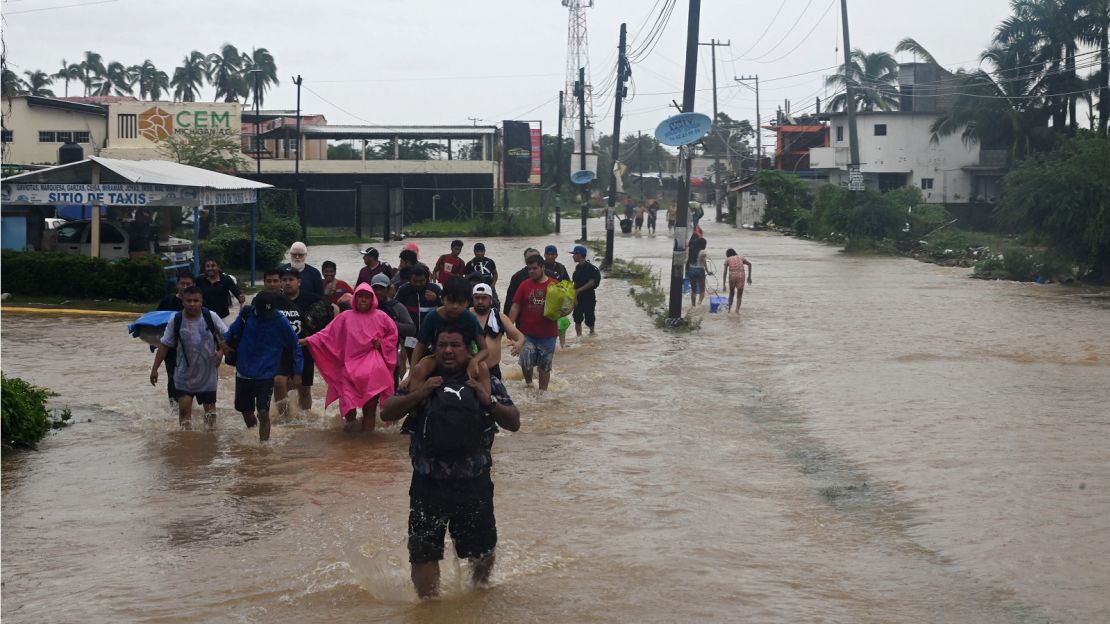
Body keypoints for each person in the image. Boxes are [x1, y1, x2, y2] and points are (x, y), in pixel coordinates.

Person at [380, 324, 520, 599]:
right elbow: (387, 413)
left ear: (469, 350)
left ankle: (478, 597)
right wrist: (421, 393)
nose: (447, 351)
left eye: (455, 345)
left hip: (474, 481)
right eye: (442, 345)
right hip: (428, 482)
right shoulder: (420, 377)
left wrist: (487, 400)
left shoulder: (484, 379)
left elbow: (514, 421)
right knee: (423, 552)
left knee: (482, 550)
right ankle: (429, 609)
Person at [304, 283, 398, 432]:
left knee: (370, 408)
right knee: (348, 408)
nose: (363, 300)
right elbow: (327, 334)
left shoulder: (382, 317)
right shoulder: (345, 317)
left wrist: (381, 343)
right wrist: (308, 340)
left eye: (367, 297)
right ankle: (351, 444)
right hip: (349, 368)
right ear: (355, 298)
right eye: (360, 296)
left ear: (372, 299)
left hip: (372, 369)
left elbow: (393, 336)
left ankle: (366, 446)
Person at [224, 291, 303, 442]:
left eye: (269, 312)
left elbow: (295, 346)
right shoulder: (246, 314)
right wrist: (223, 346)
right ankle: (253, 435)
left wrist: (297, 372)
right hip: (243, 372)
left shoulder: (281, 321)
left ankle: (263, 448)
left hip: (266, 374)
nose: (265, 316)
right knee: (246, 412)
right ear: (255, 307)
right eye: (262, 312)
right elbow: (232, 332)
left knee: (263, 412)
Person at [150, 286, 228, 429]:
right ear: (183, 302)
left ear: (201, 301)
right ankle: (186, 445)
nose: (192, 304)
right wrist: (154, 369)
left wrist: (221, 352)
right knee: (184, 415)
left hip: (208, 374)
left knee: (210, 415)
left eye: (196, 300)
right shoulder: (176, 319)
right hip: (184, 375)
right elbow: (164, 345)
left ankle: (210, 443)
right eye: (189, 301)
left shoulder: (211, 316)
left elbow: (227, 338)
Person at [275, 267, 335, 414]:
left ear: (299, 282)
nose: (287, 283)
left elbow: (332, 311)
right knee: (280, 383)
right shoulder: (275, 301)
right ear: (280, 283)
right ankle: (284, 419)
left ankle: (305, 419)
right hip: (281, 350)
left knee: (304, 389)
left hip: (305, 349)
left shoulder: (311, 299)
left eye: (291, 279)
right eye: (284, 280)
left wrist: (318, 336)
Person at [410, 276, 489, 380]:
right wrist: (411, 375)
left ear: (467, 303)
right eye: (451, 301)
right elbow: (420, 347)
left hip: (464, 359)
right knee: (419, 369)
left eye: (460, 302)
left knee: (483, 367)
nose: (455, 306)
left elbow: (484, 350)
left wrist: (475, 361)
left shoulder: (470, 319)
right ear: (443, 299)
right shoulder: (432, 317)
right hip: (437, 358)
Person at [508, 254, 561, 391]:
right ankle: (529, 384)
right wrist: (509, 326)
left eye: (534, 268)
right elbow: (515, 306)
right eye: (529, 269)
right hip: (527, 334)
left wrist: (563, 312)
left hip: (548, 335)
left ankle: (542, 393)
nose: (531, 271)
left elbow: (567, 305)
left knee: (544, 366)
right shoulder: (524, 285)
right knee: (526, 363)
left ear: (543, 267)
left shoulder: (555, 285)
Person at [370, 272, 416, 387]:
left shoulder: (397, 307)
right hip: (369, 360)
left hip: (390, 359)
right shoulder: (366, 306)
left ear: (388, 289)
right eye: (375, 288)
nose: (378, 292)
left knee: (390, 397)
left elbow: (411, 329)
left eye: (382, 288)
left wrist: (391, 324)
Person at [470, 283, 523, 381]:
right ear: (472, 299)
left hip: (493, 371)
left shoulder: (499, 317)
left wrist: (518, 344)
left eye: (484, 298)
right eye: (477, 298)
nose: (480, 301)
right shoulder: (466, 316)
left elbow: (520, 337)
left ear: (490, 300)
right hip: (470, 370)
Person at [156, 273, 195, 403]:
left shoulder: (198, 302)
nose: (184, 286)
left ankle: (189, 405)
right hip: (171, 349)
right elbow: (156, 320)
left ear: (193, 285)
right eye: (182, 283)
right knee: (172, 378)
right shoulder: (167, 301)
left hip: (193, 350)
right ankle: (174, 407)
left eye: (188, 284)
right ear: (177, 285)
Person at [394, 265, 443, 335]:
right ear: (410, 279)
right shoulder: (403, 290)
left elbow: (446, 308)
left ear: (427, 279)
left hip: (431, 335)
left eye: (421, 281)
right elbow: (395, 310)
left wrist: (437, 299)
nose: (418, 284)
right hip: (408, 336)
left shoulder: (435, 289)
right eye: (415, 281)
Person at [570, 244, 601, 337]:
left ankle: (592, 332)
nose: (573, 256)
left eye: (574, 254)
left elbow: (592, 282)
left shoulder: (590, 267)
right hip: (577, 297)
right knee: (577, 317)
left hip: (588, 296)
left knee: (589, 317)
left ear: (579, 255)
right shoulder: (578, 267)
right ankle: (579, 337)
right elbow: (576, 282)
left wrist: (579, 290)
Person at [502, 247, 540, 316]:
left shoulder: (550, 276)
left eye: (535, 258)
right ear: (525, 260)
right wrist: (506, 322)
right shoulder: (517, 277)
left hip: (545, 319)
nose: (532, 260)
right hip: (523, 318)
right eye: (530, 259)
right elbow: (510, 300)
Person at [723, 248, 753, 314]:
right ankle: (737, 311)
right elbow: (750, 264)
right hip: (741, 276)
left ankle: (729, 311)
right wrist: (749, 277)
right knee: (739, 296)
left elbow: (725, 272)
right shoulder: (741, 257)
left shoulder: (728, 259)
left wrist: (724, 284)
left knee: (731, 294)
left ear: (728, 255)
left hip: (732, 276)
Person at [687, 226, 708, 306]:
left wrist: (695, 233)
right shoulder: (703, 252)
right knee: (702, 291)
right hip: (700, 270)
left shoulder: (691, 250)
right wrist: (708, 271)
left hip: (691, 270)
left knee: (693, 290)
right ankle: (699, 303)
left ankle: (693, 305)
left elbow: (690, 243)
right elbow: (704, 262)